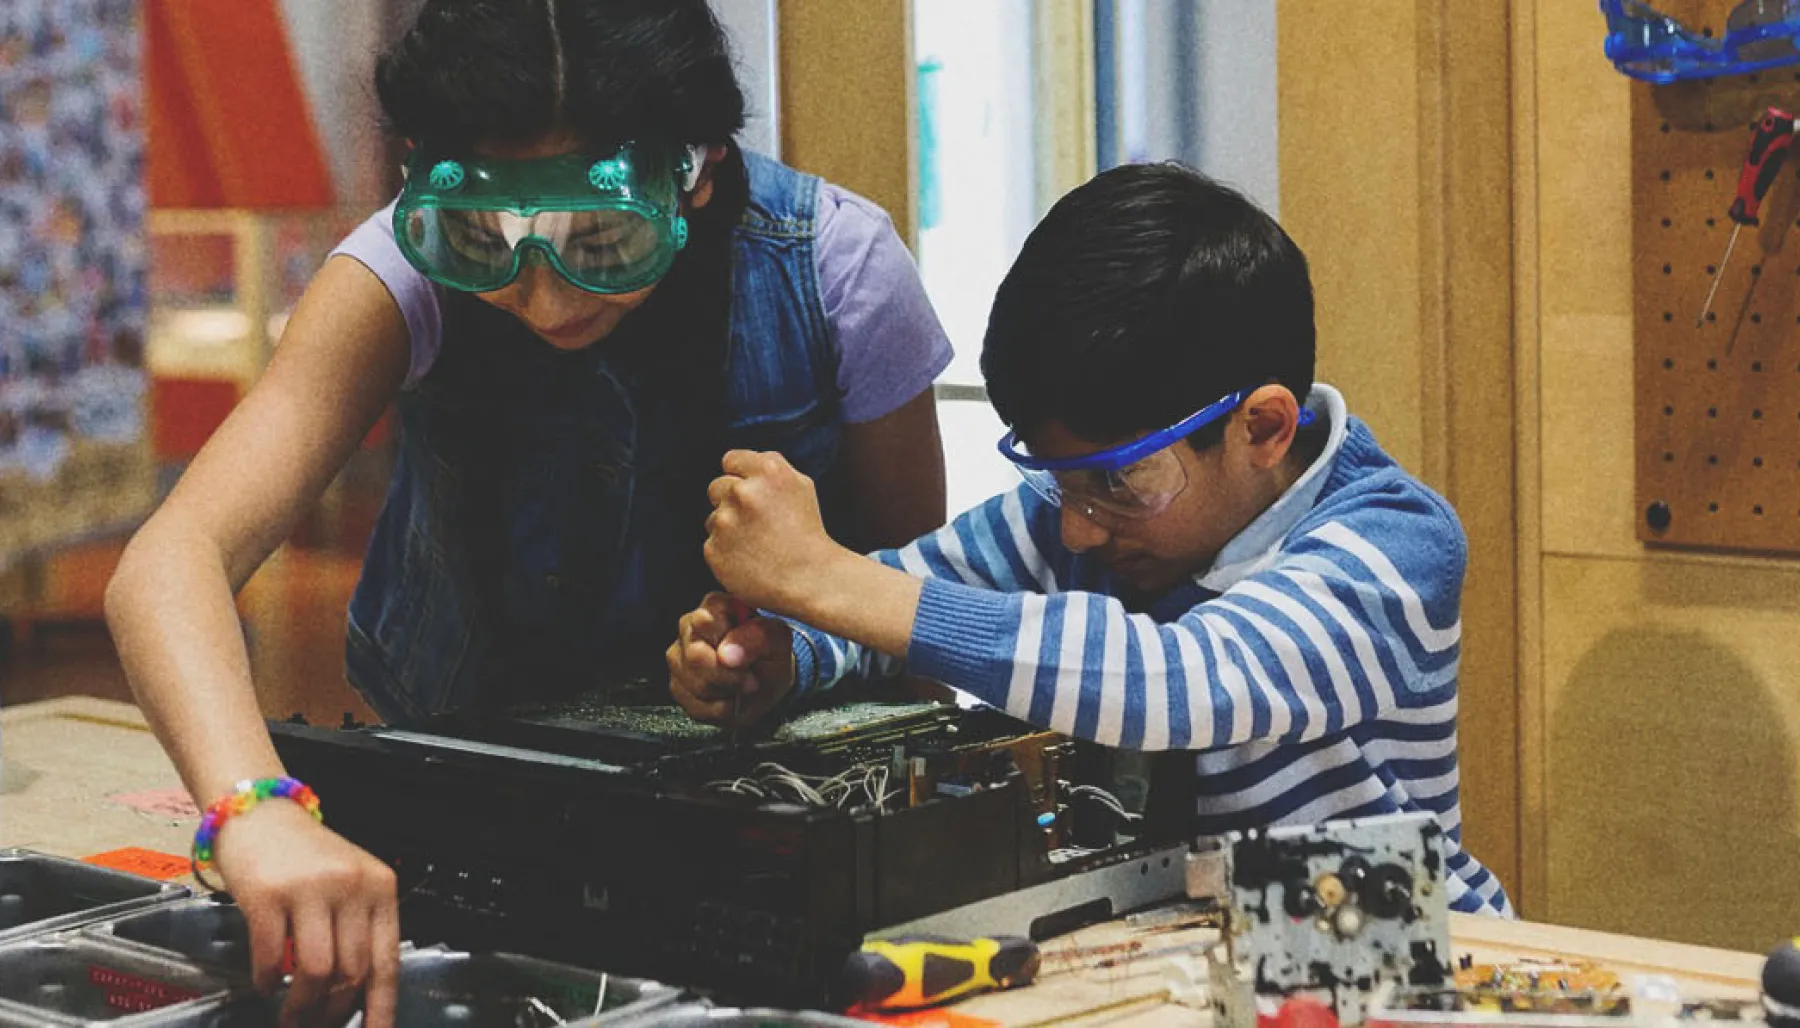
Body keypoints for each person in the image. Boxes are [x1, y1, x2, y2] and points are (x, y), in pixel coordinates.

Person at [104, 1, 953, 1022]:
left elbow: (915, 599)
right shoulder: (392, 273)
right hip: (474, 780)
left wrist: (796, 635)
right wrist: (253, 807)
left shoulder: (834, 267)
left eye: (598, 241)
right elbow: (172, 558)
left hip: (760, 823)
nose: (545, 298)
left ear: (700, 167)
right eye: (480, 240)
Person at [669, 163, 1513, 917]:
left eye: (1117, 482)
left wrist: (823, 577)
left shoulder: (1394, 546)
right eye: (1057, 479)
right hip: (1199, 957)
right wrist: (784, 650)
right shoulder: (1085, 517)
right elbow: (902, 599)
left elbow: (1184, 682)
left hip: (1398, 956)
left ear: (1262, 426)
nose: (1075, 524)